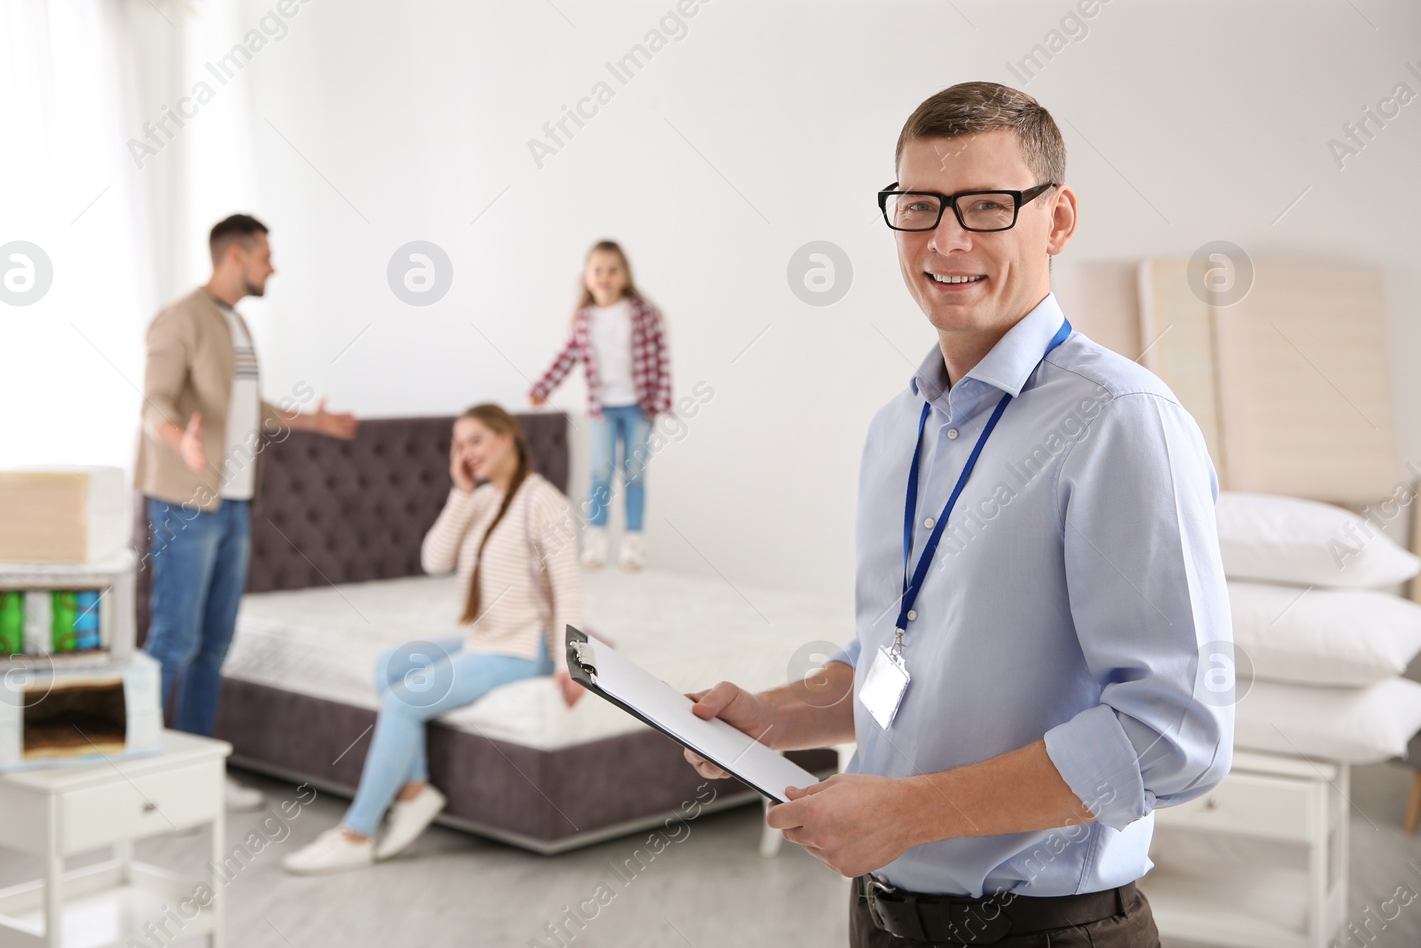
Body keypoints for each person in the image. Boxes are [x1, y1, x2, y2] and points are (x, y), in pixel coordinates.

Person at [685, 82, 1232, 947]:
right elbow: (901, 656)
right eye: (919, 207)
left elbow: (1176, 737)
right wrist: (777, 714)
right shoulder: (898, 426)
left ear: (1057, 221)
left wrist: (911, 812)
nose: (946, 239)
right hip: (879, 917)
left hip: (1046, 932)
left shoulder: (1122, 419)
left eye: (985, 206)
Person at [283, 404, 586, 874]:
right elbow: (434, 559)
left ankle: (356, 833)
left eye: (476, 440)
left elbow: (567, 586)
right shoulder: (484, 499)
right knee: (390, 666)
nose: (468, 452)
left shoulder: (543, 501)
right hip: (485, 638)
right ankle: (415, 790)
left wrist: (571, 664)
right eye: (459, 445)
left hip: (523, 649)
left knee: (404, 700)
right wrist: (461, 492)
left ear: (508, 438)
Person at [137, 214, 359, 811]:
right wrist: (177, 438)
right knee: (173, 640)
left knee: (214, 644)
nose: (273, 266)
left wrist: (313, 421)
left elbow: (246, 408)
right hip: (186, 505)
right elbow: (153, 400)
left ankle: (197, 774)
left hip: (233, 506)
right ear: (236, 256)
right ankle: (145, 780)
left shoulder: (234, 323)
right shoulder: (181, 318)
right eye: (266, 255)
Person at [529, 240, 672, 572]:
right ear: (587, 277)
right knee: (600, 472)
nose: (605, 277)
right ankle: (595, 541)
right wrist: (542, 388)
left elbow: (661, 358)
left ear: (624, 277)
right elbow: (565, 358)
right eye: (598, 270)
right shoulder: (583, 320)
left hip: (639, 406)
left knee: (635, 473)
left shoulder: (642, 315)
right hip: (602, 408)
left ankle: (633, 542)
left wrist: (662, 399)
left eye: (612, 270)